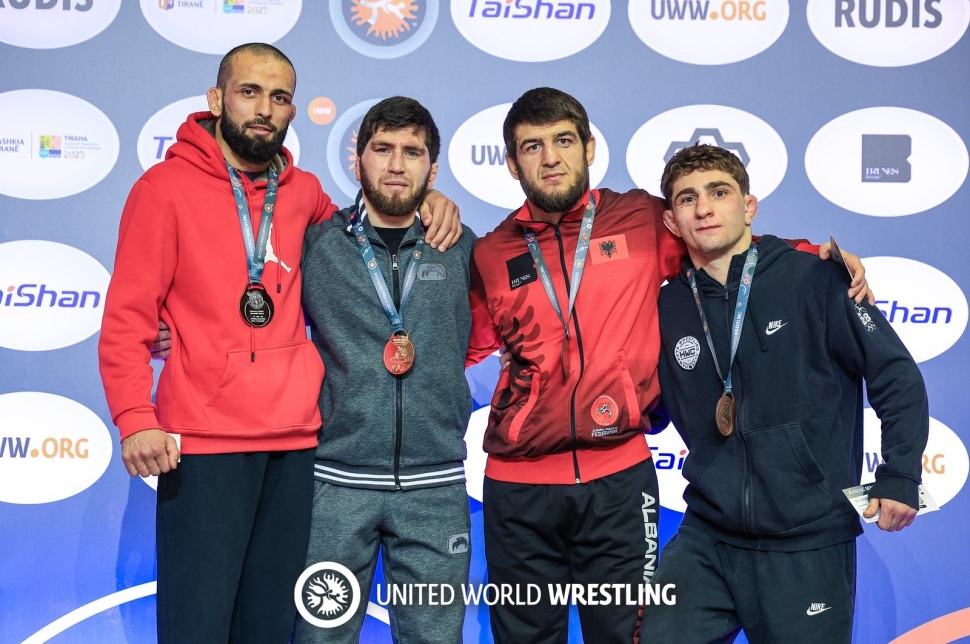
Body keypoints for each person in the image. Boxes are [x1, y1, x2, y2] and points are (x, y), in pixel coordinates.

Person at [468, 87, 871, 644]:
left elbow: (725, 242)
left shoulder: (639, 218)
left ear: (589, 147)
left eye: (563, 141)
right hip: (517, 485)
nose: (551, 158)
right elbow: (461, 344)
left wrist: (816, 258)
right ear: (512, 164)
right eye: (532, 147)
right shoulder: (491, 253)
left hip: (619, 481)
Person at [98, 44, 460, 643]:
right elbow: (127, 315)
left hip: (293, 446)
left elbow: (367, 228)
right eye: (249, 92)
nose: (264, 108)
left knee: (269, 628)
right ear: (217, 100)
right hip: (203, 444)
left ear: (293, 111)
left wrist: (428, 200)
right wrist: (135, 417)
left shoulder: (304, 193)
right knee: (197, 626)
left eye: (280, 96)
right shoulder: (162, 189)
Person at [645, 144, 928, 642]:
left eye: (719, 192)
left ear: (748, 206)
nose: (704, 208)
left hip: (808, 539)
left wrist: (901, 473)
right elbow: (645, 404)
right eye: (688, 198)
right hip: (707, 535)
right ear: (672, 220)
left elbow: (895, 374)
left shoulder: (815, 277)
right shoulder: (665, 305)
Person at [294, 96, 498, 643]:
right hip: (335, 484)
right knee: (319, 639)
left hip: (435, 486)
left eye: (412, 152)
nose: (396, 164)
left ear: (433, 168)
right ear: (358, 158)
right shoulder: (318, 245)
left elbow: (481, 337)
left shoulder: (459, 247)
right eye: (383, 149)